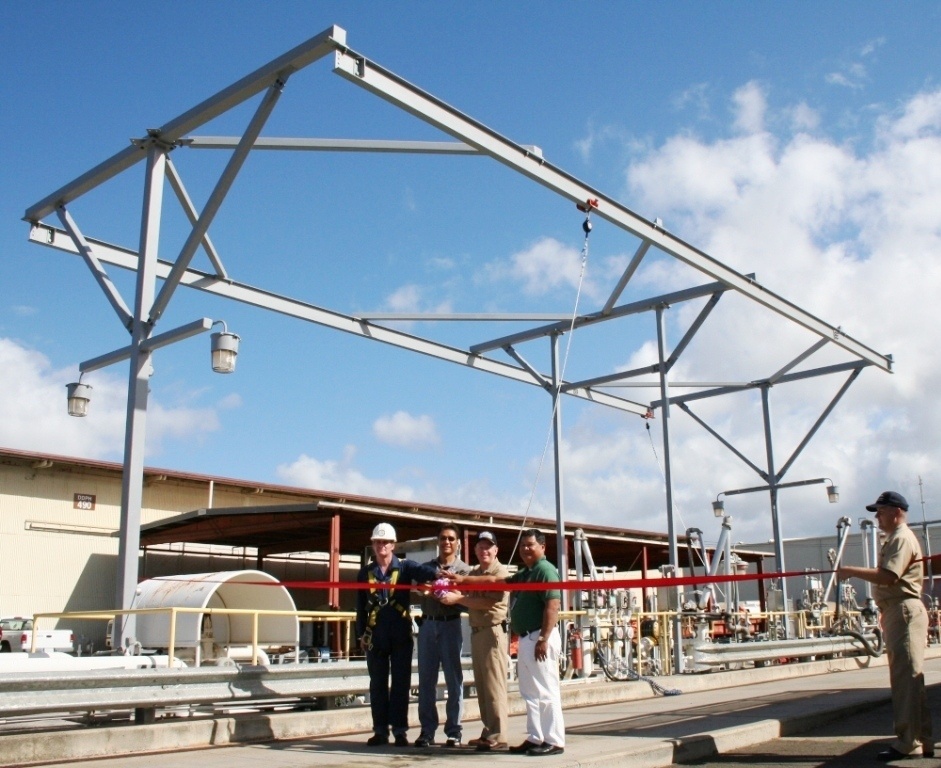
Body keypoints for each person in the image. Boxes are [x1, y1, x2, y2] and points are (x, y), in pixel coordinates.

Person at [450, 527, 565, 757]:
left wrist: (543, 637)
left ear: (542, 547)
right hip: (526, 638)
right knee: (530, 692)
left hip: (539, 637)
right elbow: (495, 580)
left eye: (530, 545)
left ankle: (554, 740)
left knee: (546, 689)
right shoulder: (527, 572)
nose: (525, 549)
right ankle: (536, 737)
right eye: (523, 545)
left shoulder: (545, 571)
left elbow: (553, 605)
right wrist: (462, 579)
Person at [837, 491, 934, 761]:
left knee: (905, 680)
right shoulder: (895, 538)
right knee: (911, 678)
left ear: (896, 511)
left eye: (880, 511)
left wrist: (851, 570)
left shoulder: (901, 539)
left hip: (903, 609)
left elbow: (889, 576)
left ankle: (908, 742)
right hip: (898, 610)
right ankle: (920, 738)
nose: (877, 517)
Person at [356, 522, 439, 747]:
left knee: (401, 684)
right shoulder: (365, 573)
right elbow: (360, 606)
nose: (382, 546)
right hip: (376, 636)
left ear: (393, 545)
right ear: (373, 544)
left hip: (401, 635)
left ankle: (400, 731)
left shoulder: (404, 568)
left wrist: (441, 572)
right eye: (378, 542)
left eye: (386, 542)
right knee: (378, 685)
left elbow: (427, 572)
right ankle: (380, 731)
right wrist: (360, 635)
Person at [438, 531, 510, 751]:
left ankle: (498, 734)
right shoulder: (475, 572)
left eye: (489, 546)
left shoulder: (500, 572)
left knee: (494, 685)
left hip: (492, 631)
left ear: (496, 550)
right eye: (480, 547)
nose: (484, 550)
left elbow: (489, 602)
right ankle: (489, 730)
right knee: (482, 685)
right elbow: (466, 592)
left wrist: (458, 598)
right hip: (477, 632)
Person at [414, 523, 471, 748]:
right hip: (428, 625)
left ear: (457, 543)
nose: (446, 542)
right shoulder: (426, 568)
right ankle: (427, 731)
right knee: (426, 680)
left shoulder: (464, 571)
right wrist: (422, 589)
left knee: (453, 679)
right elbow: (416, 588)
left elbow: (468, 602)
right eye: (443, 538)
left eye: (450, 538)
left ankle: (454, 731)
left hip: (450, 625)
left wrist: (455, 597)